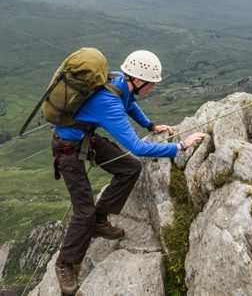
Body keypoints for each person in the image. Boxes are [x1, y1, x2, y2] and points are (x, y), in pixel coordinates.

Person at [53, 49, 205, 295]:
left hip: (85, 139)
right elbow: (136, 146)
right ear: (138, 80)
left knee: (129, 167)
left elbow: (130, 104)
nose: (153, 88)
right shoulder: (108, 101)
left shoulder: (119, 83)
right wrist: (179, 146)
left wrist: (151, 125)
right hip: (67, 150)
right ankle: (65, 263)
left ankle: (100, 220)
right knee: (83, 211)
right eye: (152, 84)